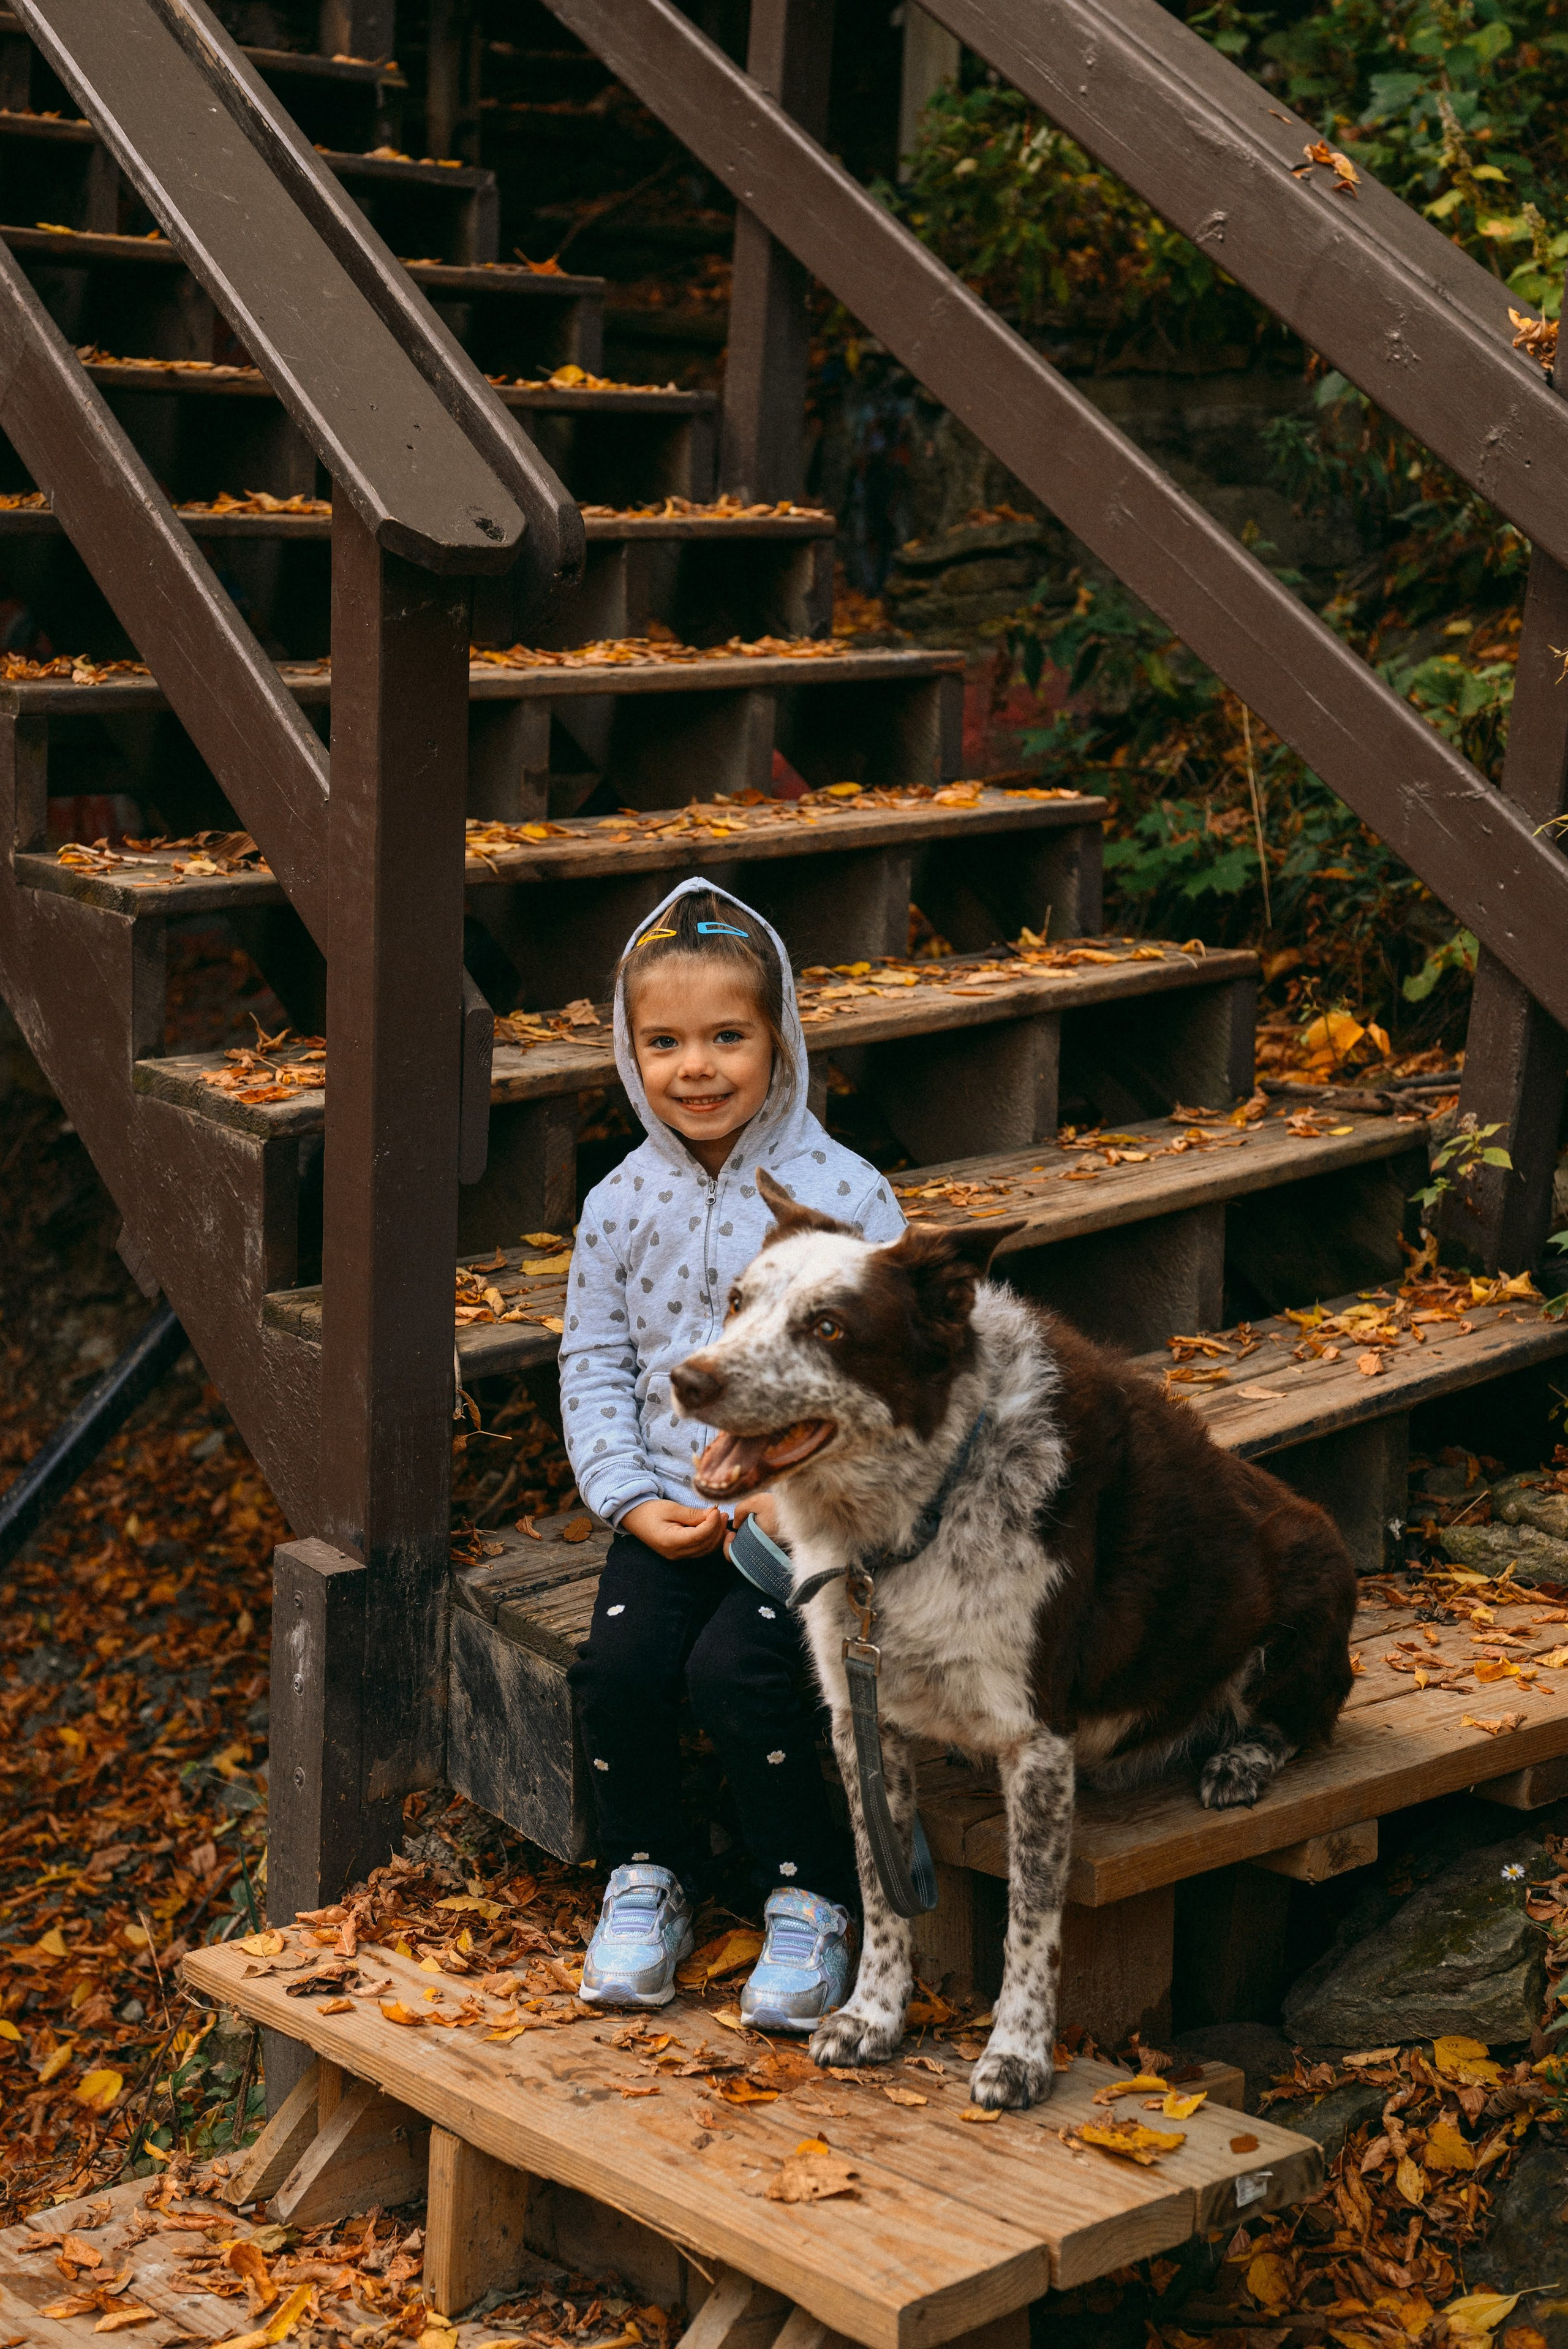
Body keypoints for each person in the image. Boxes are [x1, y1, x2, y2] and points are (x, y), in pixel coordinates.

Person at [559, 876, 905, 2028]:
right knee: (620, 1671)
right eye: (664, 1041)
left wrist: (800, 1494)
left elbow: (896, 1373)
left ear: (779, 1040)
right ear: (629, 1050)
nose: (695, 1066)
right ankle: (646, 1872)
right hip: (672, 1503)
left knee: (741, 1675)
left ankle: (810, 1898)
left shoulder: (845, 1193)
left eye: (726, 1036)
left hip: (806, 1519)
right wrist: (623, 1499)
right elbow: (596, 1361)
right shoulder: (616, 1204)